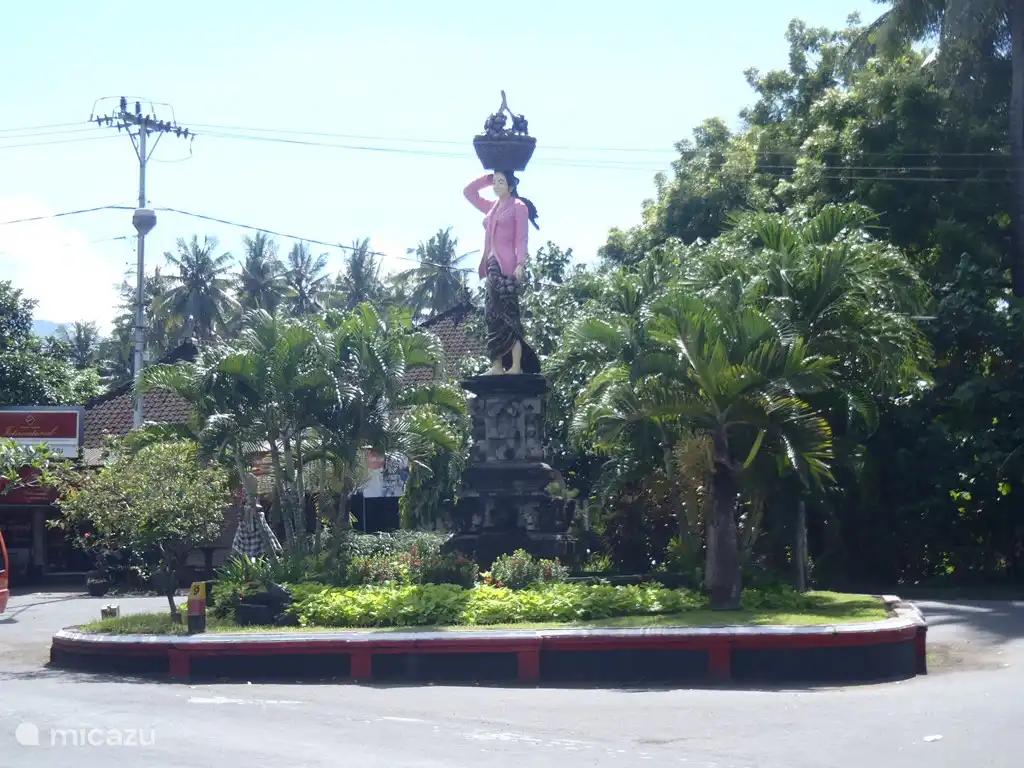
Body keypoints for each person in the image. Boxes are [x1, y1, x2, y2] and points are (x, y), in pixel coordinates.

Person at [463, 170, 541, 375]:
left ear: (511, 186)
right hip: (491, 266)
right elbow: (469, 192)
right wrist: (487, 179)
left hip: (508, 266)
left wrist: (521, 264)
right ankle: (497, 365)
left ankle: (516, 365)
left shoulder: (518, 207)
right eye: (495, 182)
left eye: (501, 182)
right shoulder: (492, 208)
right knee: (493, 315)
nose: (496, 186)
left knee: (510, 316)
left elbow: (521, 238)